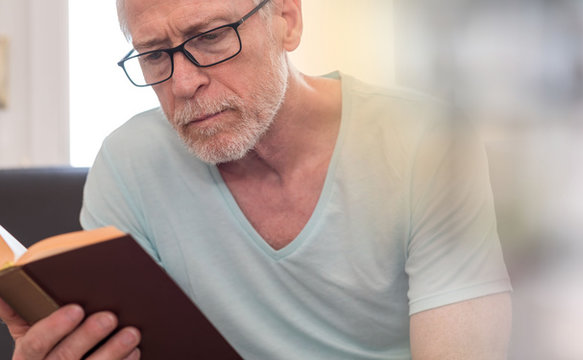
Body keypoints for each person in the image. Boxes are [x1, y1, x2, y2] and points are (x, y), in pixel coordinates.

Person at [0, 0, 512, 358]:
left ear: (286, 20)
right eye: (155, 54)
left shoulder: (426, 144)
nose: (183, 82)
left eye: (211, 36)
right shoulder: (127, 164)